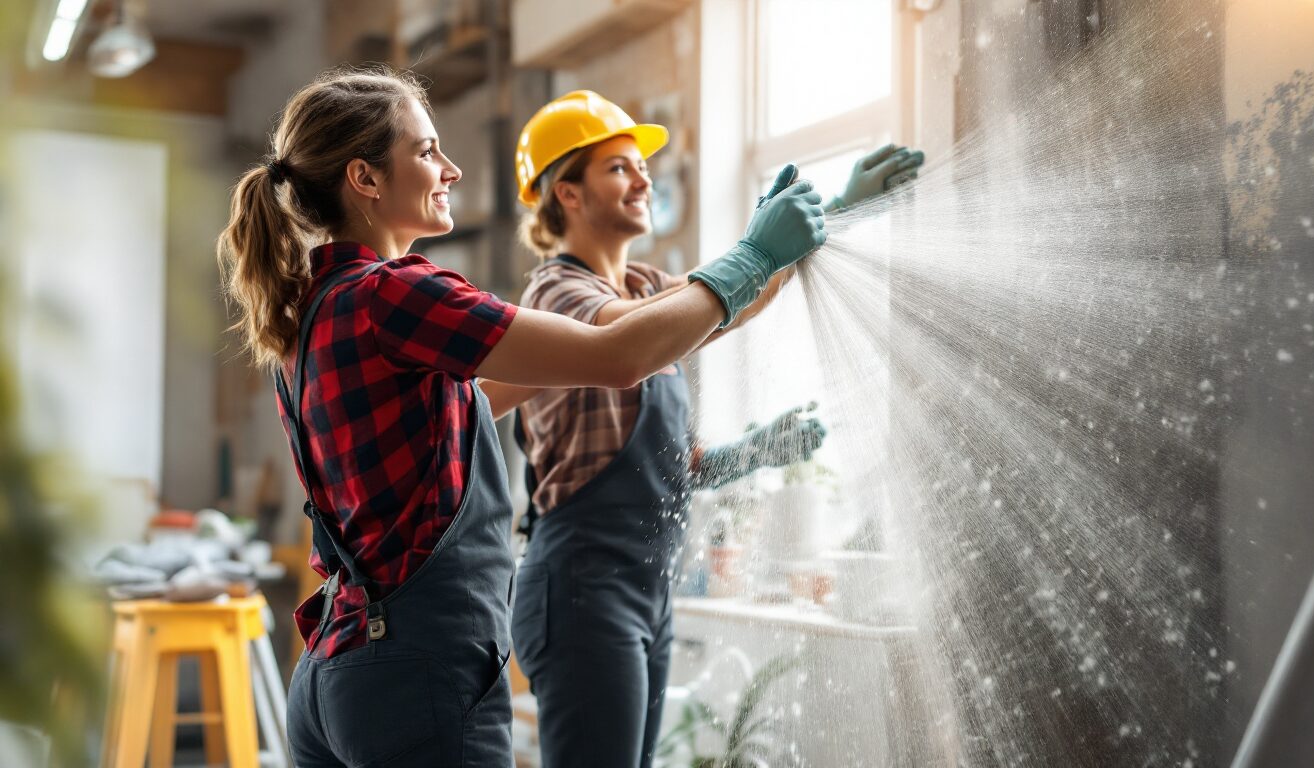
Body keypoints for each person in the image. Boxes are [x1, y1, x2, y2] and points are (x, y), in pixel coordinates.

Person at [215, 68, 826, 768]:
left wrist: (784, 253)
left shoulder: (316, 311)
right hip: (420, 675)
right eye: (426, 151)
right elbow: (619, 354)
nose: (451, 169)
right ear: (365, 178)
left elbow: (517, 384)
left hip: (339, 667)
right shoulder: (397, 292)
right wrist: (753, 254)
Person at [508, 90, 925, 768]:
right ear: (569, 193)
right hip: (583, 583)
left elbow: (730, 303)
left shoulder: (645, 290)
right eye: (619, 167)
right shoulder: (556, 293)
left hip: (646, 586)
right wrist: (754, 254)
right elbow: (639, 330)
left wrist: (834, 218)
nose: (643, 177)